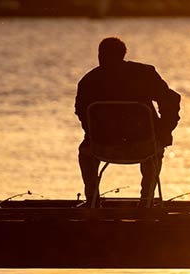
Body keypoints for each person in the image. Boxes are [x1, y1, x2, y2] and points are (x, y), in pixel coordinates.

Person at [75, 36, 181, 204]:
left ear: (100, 55)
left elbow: (81, 113)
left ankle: (92, 199)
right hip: (144, 146)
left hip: (102, 147)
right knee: (155, 151)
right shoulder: (144, 74)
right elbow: (170, 100)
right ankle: (146, 199)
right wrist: (163, 131)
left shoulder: (89, 81)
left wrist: (95, 134)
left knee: (85, 153)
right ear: (123, 55)